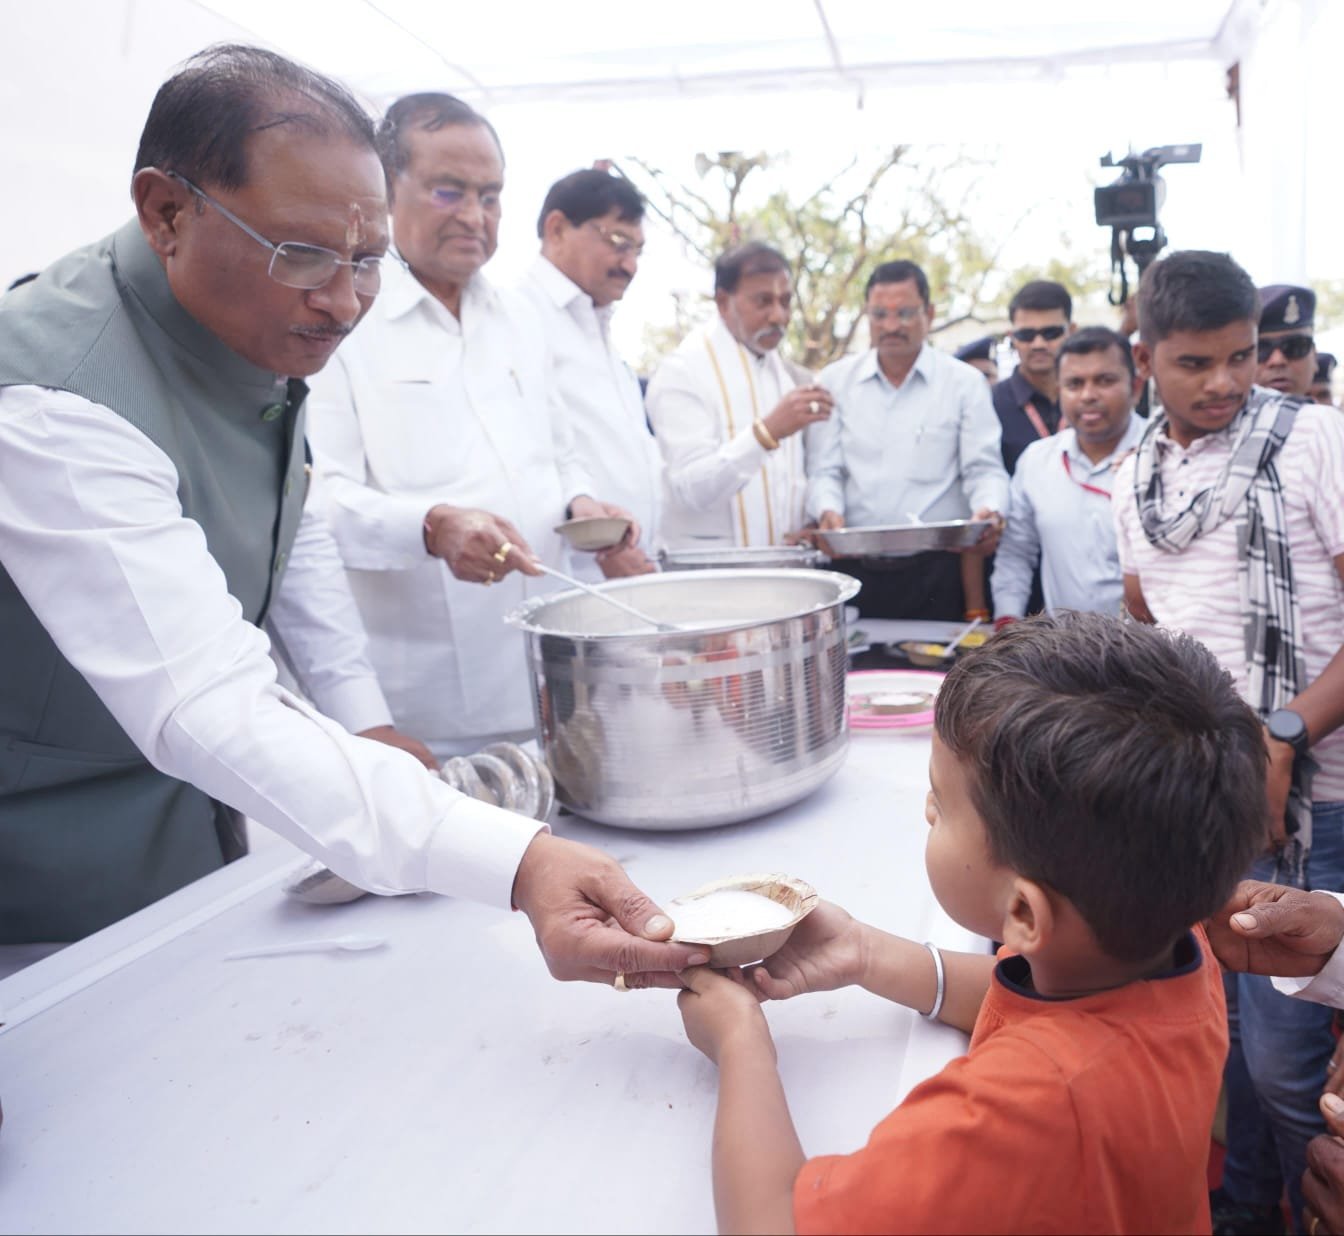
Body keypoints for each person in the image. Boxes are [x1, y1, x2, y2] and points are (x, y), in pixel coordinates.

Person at [0, 46, 704, 988]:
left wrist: (362, 723)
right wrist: (518, 862)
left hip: (209, 830)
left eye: (366, 262)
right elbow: (204, 696)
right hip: (54, 875)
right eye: (302, 255)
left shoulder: (251, 329)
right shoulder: (58, 398)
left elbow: (289, 532)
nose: (341, 300)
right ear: (167, 212)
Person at [676, 612, 1267, 1234]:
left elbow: (771, 1223)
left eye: (943, 801)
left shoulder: (1016, 1114)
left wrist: (740, 1044)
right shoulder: (1175, 947)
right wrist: (865, 952)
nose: (927, 808)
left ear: (1021, 912)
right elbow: (1066, 1018)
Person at [1113, 250, 1344, 1230]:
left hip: (1319, 804)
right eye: (1195, 363)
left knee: (1289, 1070)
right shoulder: (1134, 480)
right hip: (1209, 810)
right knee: (1228, 1048)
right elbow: (1147, 634)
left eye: (1242, 358)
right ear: (1145, 360)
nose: (1225, 384)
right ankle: (1251, 1214)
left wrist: (1286, 732)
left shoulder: (1314, 441)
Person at [305, 93, 630, 758]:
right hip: (427, 707)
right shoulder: (341, 321)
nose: (476, 216)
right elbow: (318, 506)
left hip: (547, 673)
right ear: (385, 189)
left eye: (491, 195)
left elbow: (560, 451)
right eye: (449, 191)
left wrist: (583, 504)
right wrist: (431, 525)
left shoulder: (520, 320)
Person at [806, 259, 1008, 621]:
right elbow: (825, 470)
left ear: (928, 313)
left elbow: (984, 468)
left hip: (938, 570)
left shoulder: (964, 384)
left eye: (905, 313)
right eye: (879, 314)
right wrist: (827, 510)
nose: (891, 326)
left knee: (938, 676)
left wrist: (990, 509)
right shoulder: (835, 382)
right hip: (854, 567)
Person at [518, 168, 660, 579]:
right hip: (572, 575)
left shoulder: (599, 327)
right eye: (617, 242)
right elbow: (530, 460)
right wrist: (598, 545)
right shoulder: (518, 317)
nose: (630, 265)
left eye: (637, 250)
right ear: (557, 228)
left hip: (625, 573)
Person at [644, 242, 830, 549]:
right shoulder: (682, 372)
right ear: (722, 302)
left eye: (785, 301)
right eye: (763, 301)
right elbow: (693, 489)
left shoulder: (784, 375)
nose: (778, 316)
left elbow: (787, 482)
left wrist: (808, 523)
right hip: (711, 579)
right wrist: (767, 433)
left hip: (782, 574)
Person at [990, 326, 1144, 621]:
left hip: (1154, 652)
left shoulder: (1162, 454)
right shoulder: (1037, 461)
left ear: (1135, 388)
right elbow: (1015, 554)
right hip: (1065, 655)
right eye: (1074, 384)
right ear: (1060, 392)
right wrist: (1007, 621)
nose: (1088, 395)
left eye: (1105, 381)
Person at [992, 280, 1073, 474]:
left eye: (1050, 333)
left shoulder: (1089, 397)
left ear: (1072, 331)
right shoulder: (990, 403)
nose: (1038, 344)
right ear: (1012, 338)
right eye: (1026, 334)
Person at [1257, 284, 1319, 399]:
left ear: (1314, 356)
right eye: (1261, 349)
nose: (1277, 361)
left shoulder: (1329, 417)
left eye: (1295, 347)